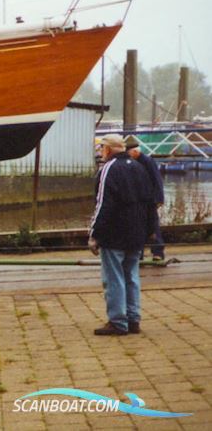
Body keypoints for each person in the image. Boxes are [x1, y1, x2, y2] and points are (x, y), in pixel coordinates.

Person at [88, 134, 154, 335]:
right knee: (131, 276)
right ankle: (133, 319)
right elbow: (149, 201)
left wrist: (94, 233)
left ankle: (117, 321)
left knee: (114, 277)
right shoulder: (139, 167)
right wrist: (151, 229)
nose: (100, 152)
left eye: (101, 148)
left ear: (107, 149)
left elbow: (103, 204)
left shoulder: (108, 169)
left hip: (115, 232)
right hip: (137, 231)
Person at [125, 135, 165, 261]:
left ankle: (158, 252)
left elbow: (157, 180)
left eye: (128, 152)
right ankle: (139, 253)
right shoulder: (131, 162)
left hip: (150, 200)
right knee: (138, 227)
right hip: (138, 200)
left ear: (135, 152)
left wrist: (159, 198)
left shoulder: (148, 161)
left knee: (153, 226)